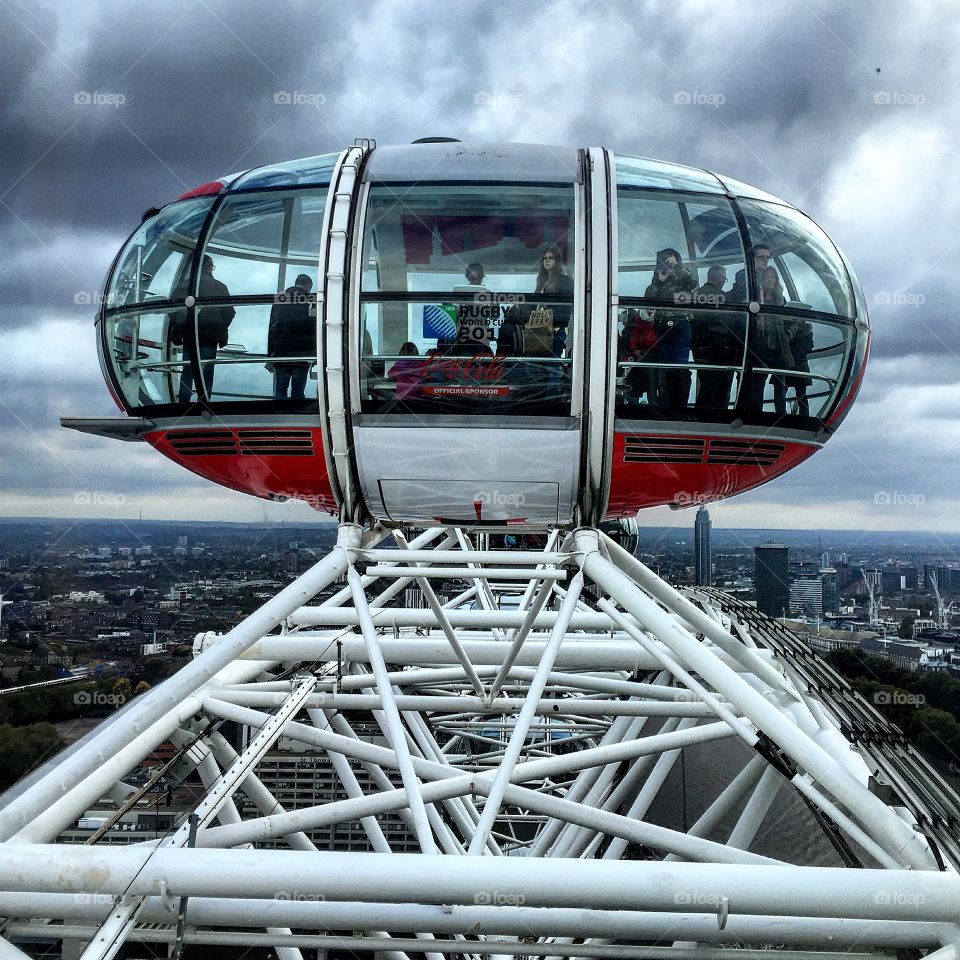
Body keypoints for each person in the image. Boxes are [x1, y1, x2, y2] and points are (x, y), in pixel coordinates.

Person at [177, 255, 235, 403]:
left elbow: (174, 311)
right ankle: (204, 401)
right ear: (209, 267)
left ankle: (183, 401)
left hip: (190, 335)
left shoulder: (185, 285)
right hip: (211, 336)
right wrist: (220, 328)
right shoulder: (220, 287)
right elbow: (230, 312)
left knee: (188, 370)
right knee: (207, 370)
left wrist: (180, 329)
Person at [644, 247, 695, 407]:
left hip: (680, 325)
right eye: (664, 261)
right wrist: (659, 281)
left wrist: (676, 267)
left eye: (669, 260)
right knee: (665, 364)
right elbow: (649, 297)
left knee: (679, 364)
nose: (667, 264)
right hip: (662, 327)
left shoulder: (684, 275)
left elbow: (691, 282)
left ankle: (679, 403)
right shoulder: (658, 279)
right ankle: (666, 402)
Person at [691, 265, 743, 410]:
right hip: (721, 349)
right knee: (721, 389)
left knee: (706, 386)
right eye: (725, 279)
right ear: (719, 278)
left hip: (699, 348)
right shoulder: (723, 298)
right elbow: (731, 324)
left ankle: (701, 418)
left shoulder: (696, 294)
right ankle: (719, 420)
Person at [744, 266, 792, 413]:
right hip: (762, 346)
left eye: (774, 277)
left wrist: (788, 335)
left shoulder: (781, 300)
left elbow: (793, 321)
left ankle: (781, 415)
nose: (772, 280)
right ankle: (756, 413)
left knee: (780, 384)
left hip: (778, 347)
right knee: (759, 383)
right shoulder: (758, 298)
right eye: (768, 277)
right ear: (762, 280)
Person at [268, 274, 315, 400]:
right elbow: (314, 328)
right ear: (308, 286)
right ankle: (296, 413)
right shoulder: (311, 300)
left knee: (280, 391)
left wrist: (271, 354)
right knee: (298, 392)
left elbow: (273, 327)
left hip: (281, 352)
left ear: (296, 283)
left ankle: (279, 415)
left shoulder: (281, 298)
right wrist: (315, 354)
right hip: (302, 352)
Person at [533, 245, 574, 357]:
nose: (547, 261)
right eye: (545, 258)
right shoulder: (541, 281)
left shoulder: (565, 281)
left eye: (551, 258)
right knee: (535, 365)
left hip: (555, 329)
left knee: (552, 365)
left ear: (557, 261)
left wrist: (556, 324)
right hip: (539, 328)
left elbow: (566, 306)